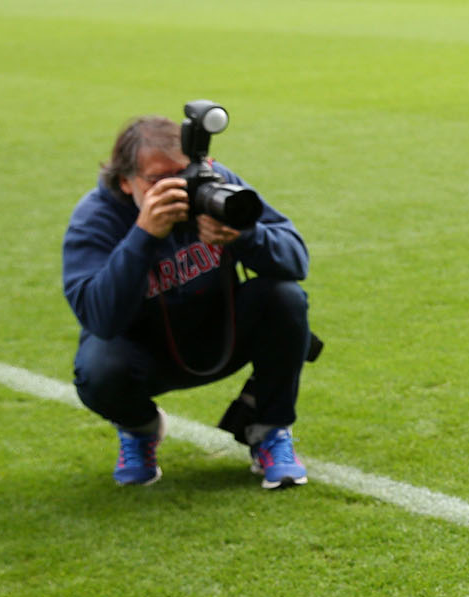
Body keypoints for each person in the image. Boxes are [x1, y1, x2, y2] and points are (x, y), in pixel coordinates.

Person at [63, 114, 312, 489]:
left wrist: (243, 236)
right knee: (98, 368)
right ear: (125, 182)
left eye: (182, 174)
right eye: (157, 180)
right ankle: (140, 429)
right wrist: (143, 235)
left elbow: (296, 260)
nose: (176, 188)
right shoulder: (97, 218)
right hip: (144, 355)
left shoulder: (213, 186)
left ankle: (270, 430)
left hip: (220, 333)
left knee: (283, 297)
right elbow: (99, 319)